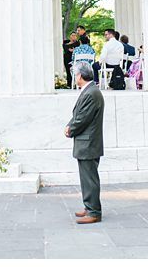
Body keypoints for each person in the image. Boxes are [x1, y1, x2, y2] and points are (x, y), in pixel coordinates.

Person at [65, 59, 105, 224]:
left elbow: (82, 118)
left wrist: (70, 128)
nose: (75, 77)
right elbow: (80, 115)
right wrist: (71, 125)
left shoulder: (91, 93)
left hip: (88, 142)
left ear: (80, 75)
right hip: (87, 142)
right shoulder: (90, 91)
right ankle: (89, 207)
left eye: (75, 74)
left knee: (90, 178)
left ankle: (94, 211)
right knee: (87, 177)